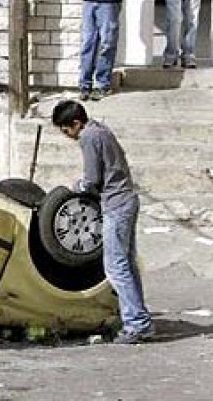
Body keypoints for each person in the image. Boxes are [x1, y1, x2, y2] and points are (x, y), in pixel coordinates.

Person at [51, 100, 153, 344]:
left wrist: (78, 187)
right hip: (127, 199)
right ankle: (140, 321)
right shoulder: (101, 129)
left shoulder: (88, 136)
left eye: (67, 130)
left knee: (116, 267)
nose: (68, 136)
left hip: (116, 205)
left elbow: (93, 179)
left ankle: (137, 324)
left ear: (76, 123)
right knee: (126, 264)